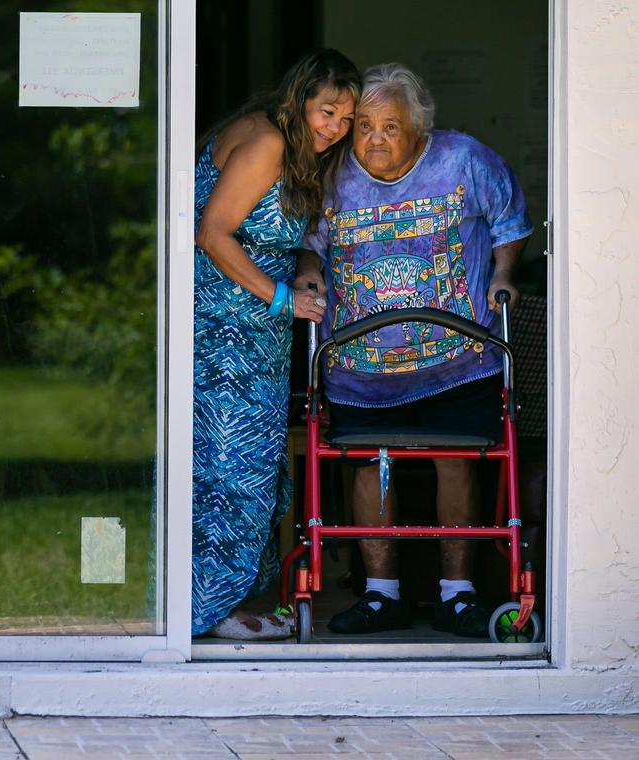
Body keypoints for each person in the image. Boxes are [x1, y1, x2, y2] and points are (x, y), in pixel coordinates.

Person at [297, 63, 533, 637]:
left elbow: (511, 222)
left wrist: (504, 273)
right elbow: (309, 243)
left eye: (391, 126)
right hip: (362, 368)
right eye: (365, 126)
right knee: (369, 466)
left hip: (459, 360)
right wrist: (308, 275)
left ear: (419, 129)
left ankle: (458, 595)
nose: (375, 139)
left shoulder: (462, 160)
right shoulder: (331, 177)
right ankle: (381, 596)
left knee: (456, 462)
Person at [192, 49, 361, 640]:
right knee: (230, 470)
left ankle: (214, 603)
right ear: (300, 100)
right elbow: (212, 233)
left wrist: (302, 271)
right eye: (326, 111)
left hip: (248, 331)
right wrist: (284, 299)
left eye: (345, 117)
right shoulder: (267, 141)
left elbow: (273, 233)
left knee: (241, 466)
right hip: (224, 333)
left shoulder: (282, 140)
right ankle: (205, 610)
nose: (335, 128)